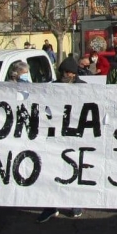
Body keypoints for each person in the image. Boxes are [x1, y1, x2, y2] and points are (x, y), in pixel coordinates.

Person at [37, 57, 86, 224]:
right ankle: (51, 206)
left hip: (77, 137)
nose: (66, 75)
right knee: (53, 171)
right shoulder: (53, 88)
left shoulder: (85, 88)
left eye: (69, 72)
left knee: (75, 170)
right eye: (64, 72)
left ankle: (75, 203)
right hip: (56, 136)